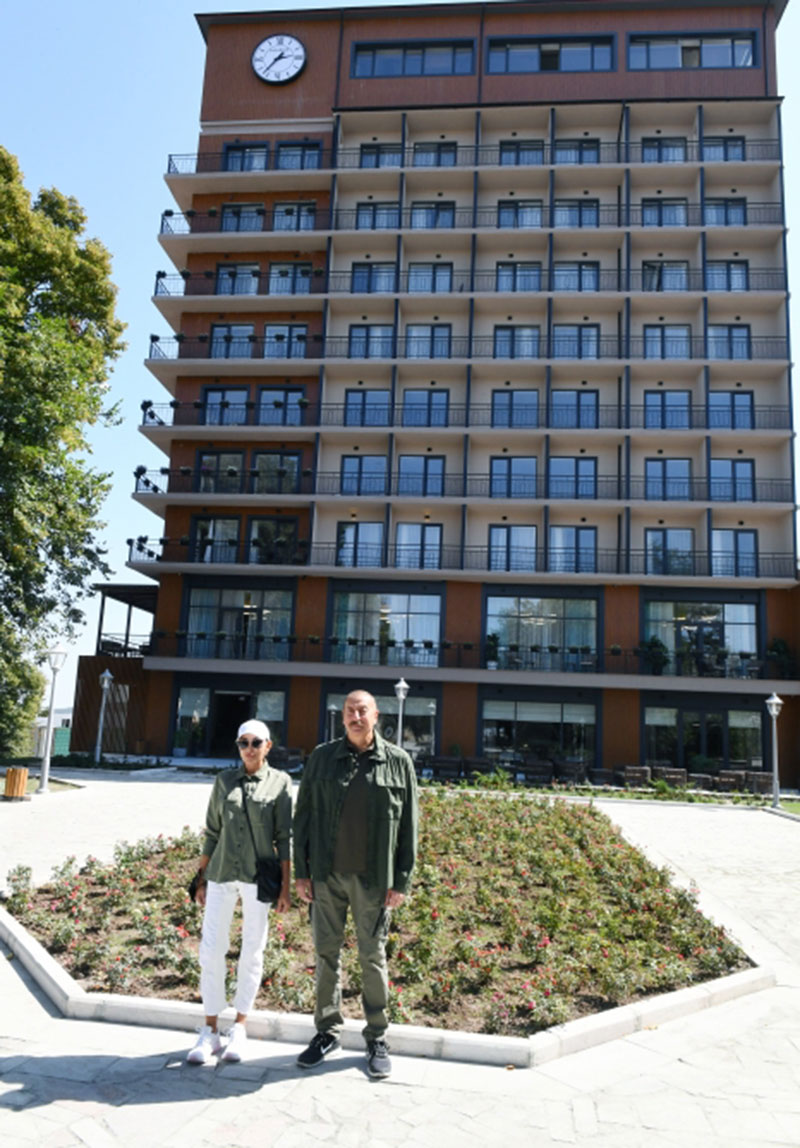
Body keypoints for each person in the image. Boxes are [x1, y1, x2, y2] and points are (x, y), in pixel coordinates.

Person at [293, 689, 418, 1079]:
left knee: (372, 957)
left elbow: (409, 826)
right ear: (343, 716)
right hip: (326, 875)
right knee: (325, 953)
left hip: (374, 879)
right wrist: (302, 872)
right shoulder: (322, 757)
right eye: (350, 711)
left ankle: (377, 1035)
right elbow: (303, 817)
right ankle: (327, 1032)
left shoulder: (398, 762)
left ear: (376, 715)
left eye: (363, 710)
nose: (356, 716)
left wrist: (401, 880)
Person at [186, 719, 292, 1065]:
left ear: (268, 746)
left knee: (252, 950)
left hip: (258, 878)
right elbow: (212, 831)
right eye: (243, 742)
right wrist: (201, 878)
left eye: (255, 742)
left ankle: (240, 1026)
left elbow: (284, 840)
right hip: (221, 874)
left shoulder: (280, 782)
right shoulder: (224, 781)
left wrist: (286, 887)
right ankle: (210, 1031)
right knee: (211, 950)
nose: (249, 748)